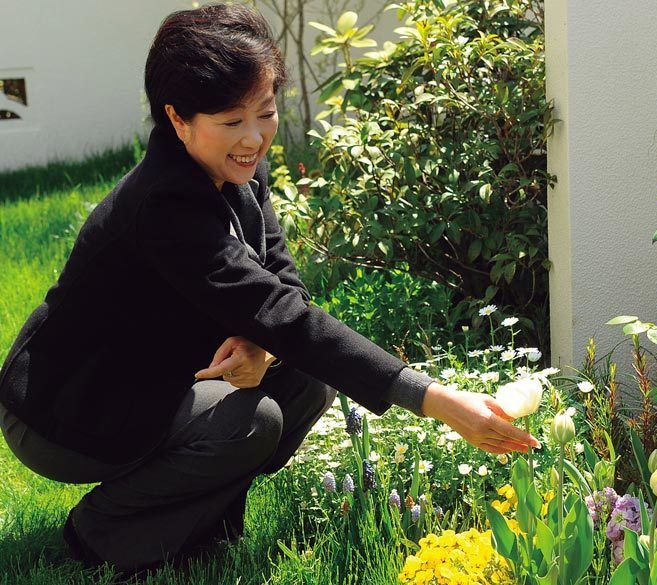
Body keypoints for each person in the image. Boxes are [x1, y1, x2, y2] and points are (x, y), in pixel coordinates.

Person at [0, 3, 539, 576]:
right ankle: (102, 532)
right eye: (231, 121)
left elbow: (282, 289)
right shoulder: (164, 203)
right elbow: (279, 311)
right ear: (178, 119)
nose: (254, 139)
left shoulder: (236, 167)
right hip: (71, 409)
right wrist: (437, 400)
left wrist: (264, 343)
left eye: (265, 113)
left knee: (306, 382)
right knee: (252, 421)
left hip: (157, 371)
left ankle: (198, 523)